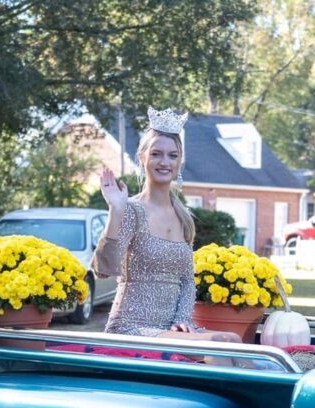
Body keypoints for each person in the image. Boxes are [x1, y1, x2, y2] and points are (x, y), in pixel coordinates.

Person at [92, 106, 241, 346]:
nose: (165, 162)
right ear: (142, 158)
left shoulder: (183, 216)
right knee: (222, 342)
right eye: (156, 154)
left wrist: (182, 321)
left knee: (233, 339)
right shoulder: (132, 210)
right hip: (131, 328)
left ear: (180, 161)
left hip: (170, 331)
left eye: (172, 155)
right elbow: (103, 270)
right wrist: (116, 210)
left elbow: (187, 281)